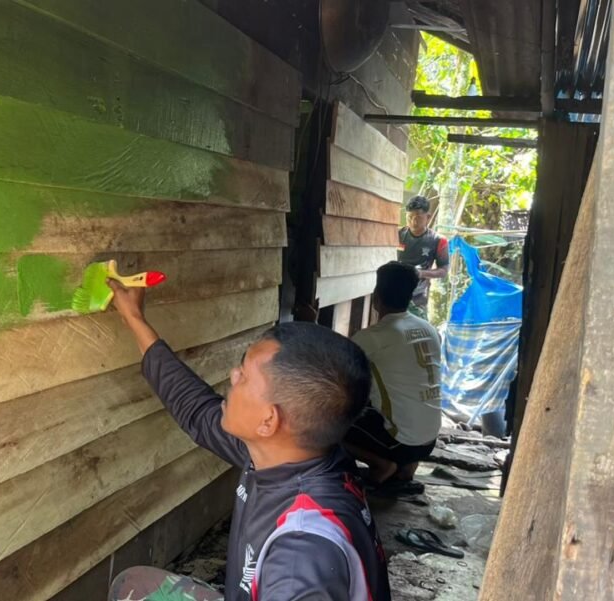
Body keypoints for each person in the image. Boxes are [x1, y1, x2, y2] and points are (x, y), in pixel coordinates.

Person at [106, 280, 390, 601]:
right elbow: (198, 412)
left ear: (269, 420)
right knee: (136, 586)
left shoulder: (300, 556)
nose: (232, 376)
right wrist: (134, 318)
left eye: (244, 374)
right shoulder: (293, 452)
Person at [344, 262, 442, 487]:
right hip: (428, 440)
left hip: (402, 441)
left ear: (376, 297)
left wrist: (309, 321)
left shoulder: (373, 337)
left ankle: (382, 465)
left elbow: (333, 364)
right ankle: (406, 468)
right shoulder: (428, 329)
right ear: (410, 296)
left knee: (332, 425)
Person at [398, 195, 449, 318]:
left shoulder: (438, 240)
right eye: (409, 217)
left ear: (428, 217)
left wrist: (421, 273)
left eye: (418, 218)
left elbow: (443, 271)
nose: (413, 222)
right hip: (394, 292)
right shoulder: (397, 235)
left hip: (418, 297)